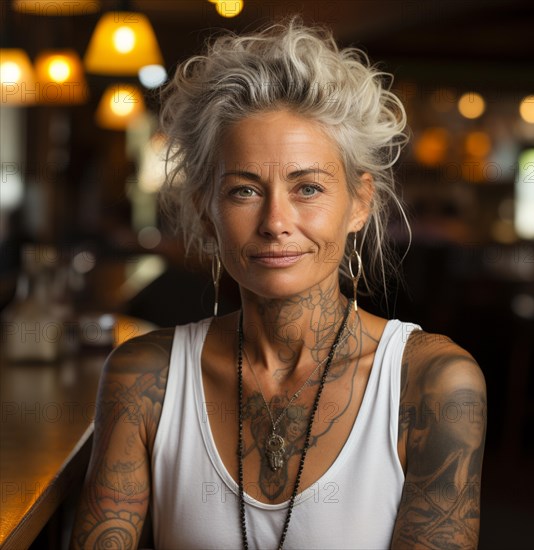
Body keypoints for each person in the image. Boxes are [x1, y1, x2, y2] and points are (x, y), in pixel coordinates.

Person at [71, 18, 486, 550]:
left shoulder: (431, 382)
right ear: (205, 210)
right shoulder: (143, 379)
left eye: (308, 187)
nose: (275, 221)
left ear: (360, 202)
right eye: (244, 191)